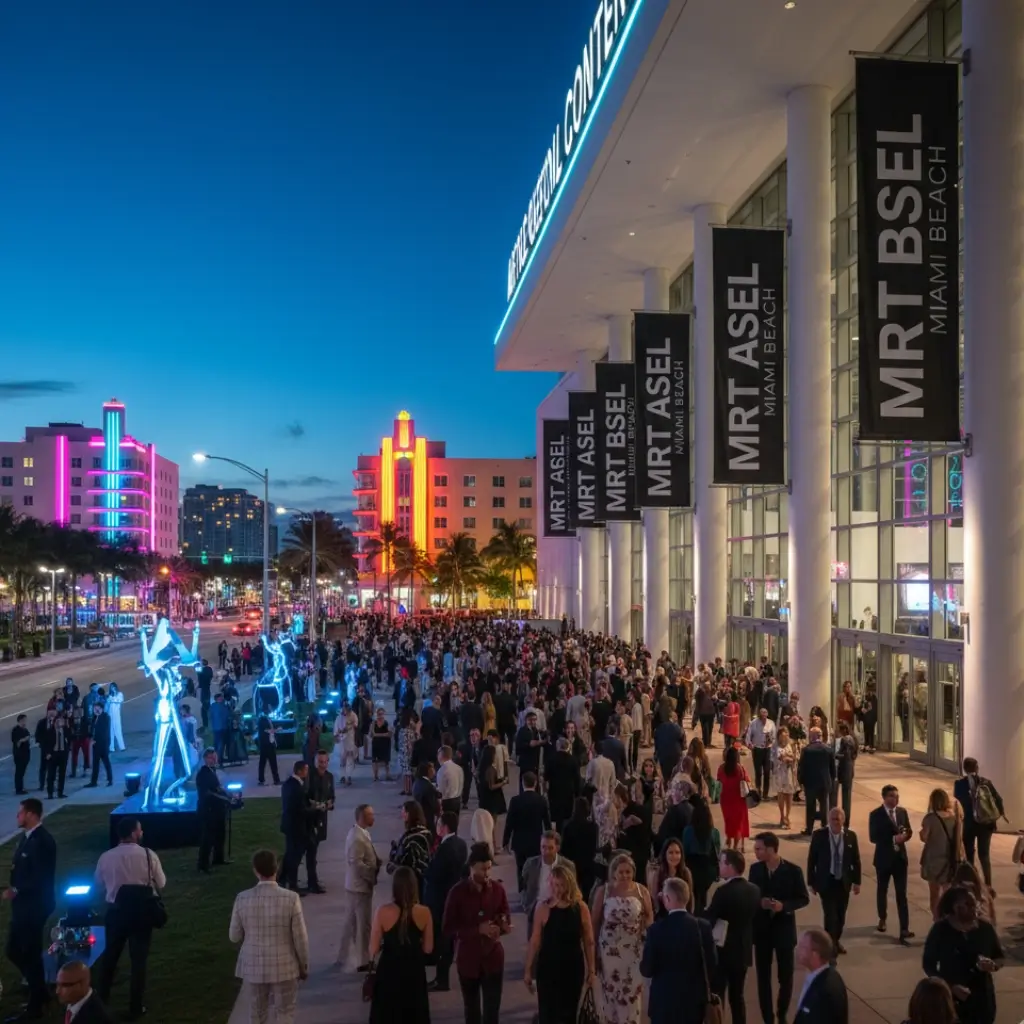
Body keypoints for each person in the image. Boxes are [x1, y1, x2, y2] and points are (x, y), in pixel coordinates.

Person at [94, 816, 167, 1018]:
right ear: (134, 833)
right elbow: (161, 883)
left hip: (116, 913)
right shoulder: (148, 854)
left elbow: (98, 884)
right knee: (138, 961)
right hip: (142, 914)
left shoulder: (106, 857)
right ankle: (136, 1006)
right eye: (140, 830)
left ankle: (100, 1001)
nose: (142, 833)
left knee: (110, 959)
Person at [229, 849, 309, 1024]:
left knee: (257, 1014)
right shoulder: (291, 898)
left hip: (254, 967)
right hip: (285, 965)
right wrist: (303, 965)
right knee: (285, 1012)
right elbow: (300, 938)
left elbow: (234, 936)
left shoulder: (242, 898)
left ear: (255, 870)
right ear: (277, 868)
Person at [442, 842, 511, 1024]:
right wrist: (476, 930)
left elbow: (505, 915)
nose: (487, 874)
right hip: (468, 960)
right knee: (472, 1013)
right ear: (471, 867)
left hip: (493, 959)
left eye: (489, 868)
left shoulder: (498, 890)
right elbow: (448, 928)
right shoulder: (457, 893)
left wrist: (502, 926)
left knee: (491, 1012)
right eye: (482, 869)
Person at [3, 798, 57, 1019]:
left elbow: (40, 878)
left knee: (30, 953)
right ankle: (40, 990)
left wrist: (16, 890)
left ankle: (36, 1006)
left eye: (20, 813)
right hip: (23, 907)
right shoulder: (27, 839)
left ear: (32, 814)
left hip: (33, 907)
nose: (17, 816)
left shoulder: (42, 841)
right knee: (13, 950)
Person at [749, 831, 810, 1024]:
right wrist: (761, 902)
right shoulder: (755, 870)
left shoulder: (793, 871)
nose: (756, 852)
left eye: (759, 849)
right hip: (762, 932)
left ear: (770, 849)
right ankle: (768, 1017)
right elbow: (752, 896)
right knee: (763, 978)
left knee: (785, 977)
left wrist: (784, 906)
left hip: (783, 930)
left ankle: (781, 1012)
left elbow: (803, 898)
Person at [524, 862, 595, 1024]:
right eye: (555, 885)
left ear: (569, 885)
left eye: (562, 885)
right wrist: (528, 969)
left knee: (569, 1013)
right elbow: (535, 940)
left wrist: (592, 969)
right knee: (547, 1013)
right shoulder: (543, 908)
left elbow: (589, 941)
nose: (558, 889)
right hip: (548, 968)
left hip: (572, 968)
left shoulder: (581, 908)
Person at [640, 877, 717, 1024]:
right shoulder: (703, 927)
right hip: (694, 1003)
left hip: (664, 1003)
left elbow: (647, 969)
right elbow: (712, 964)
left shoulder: (656, 930)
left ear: (667, 898)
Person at [923, 886, 1003, 1024]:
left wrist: (993, 965)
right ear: (955, 907)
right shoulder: (940, 930)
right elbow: (928, 964)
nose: (974, 908)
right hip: (951, 1001)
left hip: (982, 999)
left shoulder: (985, 928)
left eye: (975, 904)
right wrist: (950, 986)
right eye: (968, 904)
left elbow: (999, 956)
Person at [592, 852, 653, 1024]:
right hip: (608, 953)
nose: (625, 875)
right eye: (621, 872)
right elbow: (595, 921)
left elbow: (649, 917)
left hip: (634, 953)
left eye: (628, 871)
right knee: (610, 994)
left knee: (632, 995)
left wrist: (649, 943)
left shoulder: (642, 891)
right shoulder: (603, 892)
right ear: (614, 873)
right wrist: (593, 951)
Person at [368, 866, 433, 1024]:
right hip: (414, 972)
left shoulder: (382, 912)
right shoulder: (424, 912)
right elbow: (428, 948)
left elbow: (373, 949)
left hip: (389, 971)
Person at [702, 848, 760, 1024]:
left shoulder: (723, 892)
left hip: (724, 951)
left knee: (718, 994)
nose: (719, 865)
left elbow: (710, 919)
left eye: (721, 862)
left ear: (731, 866)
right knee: (738, 996)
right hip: (743, 950)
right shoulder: (754, 890)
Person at [806, 807, 861, 957]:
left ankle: (835, 941)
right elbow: (812, 859)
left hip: (843, 882)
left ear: (843, 820)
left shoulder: (851, 836)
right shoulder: (819, 835)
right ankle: (830, 950)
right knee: (831, 917)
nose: (835, 822)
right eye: (832, 819)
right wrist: (811, 882)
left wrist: (857, 882)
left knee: (841, 916)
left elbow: (856, 860)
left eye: (838, 819)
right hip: (826, 881)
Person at [423, 811, 468, 993]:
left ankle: (442, 979)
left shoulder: (445, 848)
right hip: (452, 895)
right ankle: (438, 966)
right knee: (446, 938)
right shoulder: (461, 844)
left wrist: (426, 869)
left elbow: (434, 874)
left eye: (439, 823)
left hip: (441, 899)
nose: (437, 826)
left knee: (444, 939)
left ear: (445, 826)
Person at [868, 784, 914, 946]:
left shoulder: (902, 812)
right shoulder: (876, 815)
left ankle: (904, 928)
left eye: (897, 796)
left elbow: (909, 830)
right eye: (892, 796)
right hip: (883, 859)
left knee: (902, 894)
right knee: (882, 889)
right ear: (885, 798)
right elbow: (873, 837)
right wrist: (894, 839)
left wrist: (906, 835)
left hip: (900, 859)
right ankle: (882, 918)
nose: (896, 799)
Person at [339, 804, 379, 972]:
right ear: (362, 817)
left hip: (355, 886)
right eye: (370, 815)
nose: (374, 818)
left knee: (353, 923)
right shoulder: (357, 838)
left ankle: (344, 956)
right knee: (363, 926)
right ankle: (363, 961)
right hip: (359, 887)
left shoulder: (360, 833)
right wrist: (372, 875)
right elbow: (356, 864)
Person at [953, 758, 1003, 890]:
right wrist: (995, 818)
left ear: (964, 768)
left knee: (969, 854)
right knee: (984, 855)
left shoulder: (959, 784)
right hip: (986, 825)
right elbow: (999, 800)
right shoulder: (986, 783)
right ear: (976, 768)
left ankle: (972, 885)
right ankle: (988, 885)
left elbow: (957, 804)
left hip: (969, 824)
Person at [919, 787, 964, 920]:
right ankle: (948, 918)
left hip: (933, 861)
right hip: (950, 861)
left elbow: (924, 837)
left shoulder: (930, 818)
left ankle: (937, 920)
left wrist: (922, 833)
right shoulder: (954, 819)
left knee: (934, 894)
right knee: (947, 893)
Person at [502, 771, 551, 890]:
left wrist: (505, 841)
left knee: (520, 868)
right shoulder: (541, 800)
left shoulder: (515, 801)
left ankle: (522, 891)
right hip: (536, 841)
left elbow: (509, 823)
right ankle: (533, 891)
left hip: (519, 841)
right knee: (535, 869)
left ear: (522, 783)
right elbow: (547, 823)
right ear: (535, 783)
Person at [520, 830, 574, 933]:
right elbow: (523, 887)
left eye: (550, 848)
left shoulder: (568, 866)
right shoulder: (530, 864)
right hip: (536, 913)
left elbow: (572, 890)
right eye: (543, 847)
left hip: (561, 915)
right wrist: (527, 906)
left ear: (557, 848)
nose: (546, 852)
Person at [793, 927, 849, 1022]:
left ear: (815, 954)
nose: (797, 950)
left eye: (803, 947)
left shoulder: (823, 991)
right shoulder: (829, 976)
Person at [278, 761, 315, 893]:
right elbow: (300, 809)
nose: (307, 772)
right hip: (296, 826)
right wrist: (314, 809)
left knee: (290, 854)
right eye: (305, 770)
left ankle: (282, 879)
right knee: (295, 856)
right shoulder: (297, 787)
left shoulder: (288, 784)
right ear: (299, 771)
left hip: (289, 825)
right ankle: (292, 884)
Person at [682, 798, 721, 913]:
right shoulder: (714, 832)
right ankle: (701, 912)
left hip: (692, 867)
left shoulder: (688, 831)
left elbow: (685, 849)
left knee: (693, 894)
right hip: (708, 869)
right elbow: (717, 851)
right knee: (703, 894)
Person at [388, 801, 434, 897]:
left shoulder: (410, 837)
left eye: (404, 811)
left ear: (409, 814)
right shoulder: (426, 833)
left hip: (409, 882)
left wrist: (394, 851)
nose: (402, 814)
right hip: (422, 879)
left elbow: (402, 860)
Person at [306, 750, 335, 895]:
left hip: (321, 819)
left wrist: (329, 803)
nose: (323, 765)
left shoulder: (329, 777)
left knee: (314, 849)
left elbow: (332, 796)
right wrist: (315, 805)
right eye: (320, 762)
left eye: (325, 762)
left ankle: (311, 880)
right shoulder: (309, 777)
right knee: (310, 851)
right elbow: (305, 798)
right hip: (309, 819)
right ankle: (312, 881)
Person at [559, 796, 599, 903]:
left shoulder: (567, 826)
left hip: (572, 864)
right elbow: (594, 847)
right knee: (587, 895)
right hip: (588, 864)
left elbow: (564, 849)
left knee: (571, 893)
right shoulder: (593, 827)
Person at [797, 727, 835, 835]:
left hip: (810, 783)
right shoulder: (828, 749)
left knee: (810, 807)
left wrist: (801, 782)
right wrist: (831, 781)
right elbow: (833, 769)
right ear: (820, 736)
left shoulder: (806, 750)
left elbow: (801, 768)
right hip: (824, 783)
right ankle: (825, 827)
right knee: (824, 806)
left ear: (812, 737)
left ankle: (809, 828)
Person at [646, 838, 694, 917]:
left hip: (682, 914)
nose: (674, 856)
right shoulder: (658, 873)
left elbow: (690, 897)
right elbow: (654, 897)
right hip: (663, 914)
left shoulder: (686, 872)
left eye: (677, 853)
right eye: (671, 853)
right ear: (665, 854)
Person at [717, 745, 751, 851]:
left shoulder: (721, 768)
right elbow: (748, 781)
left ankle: (729, 840)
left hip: (725, 799)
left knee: (729, 822)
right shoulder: (740, 768)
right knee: (738, 824)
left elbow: (718, 782)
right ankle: (736, 846)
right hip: (738, 800)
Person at [545, 737, 581, 830]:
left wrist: (545, 790)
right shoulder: (573, 760)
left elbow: (546, 777)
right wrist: (577, 794)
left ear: (557, 746)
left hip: (554, 791)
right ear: (568, 747)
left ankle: (557, 833)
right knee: (567, 816)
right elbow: (577, 778)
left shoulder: (551, 759)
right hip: (568, 792)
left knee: (556, 816)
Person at [745, 706, 776, 800]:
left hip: (767, 749)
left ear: (767, 715)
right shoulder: (753, 723)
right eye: (762, 716)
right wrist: (749, 744)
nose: (763, 718)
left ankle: (765, 794)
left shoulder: (771, 723)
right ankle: (758, 790)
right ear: (759, 716)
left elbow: (774, 736)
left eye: (765, 715)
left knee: (767, 771)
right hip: (757, 749)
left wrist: (772, 743)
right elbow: (748, 735)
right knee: (758, 772)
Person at [771, 725, 797, 830]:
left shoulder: (792, 744)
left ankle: (788, 816)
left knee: (789, 795)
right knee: (781, 794)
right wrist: (780, 759)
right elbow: (772, 757)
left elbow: (796, 757)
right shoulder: (775, 745)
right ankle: (782, 815)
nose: (784, 737)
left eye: (786, 735)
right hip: (779, 772)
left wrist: (790, 759)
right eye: (782, 735)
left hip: (789, 772)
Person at [832, 722, 857, 818]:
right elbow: (853, 755)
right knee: (847, 797)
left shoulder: (845, 740)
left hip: (842, 769)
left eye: (837, 729)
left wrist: (833, 755)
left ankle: (838, 818)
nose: (836, 731)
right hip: (849, 769)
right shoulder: (853, 739)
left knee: (835, 796)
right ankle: (846, 820)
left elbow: (844, 755)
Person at [86, 701, 113, 788]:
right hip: (96, 744)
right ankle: (94, 782)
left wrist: (96, 740)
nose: (96, 710)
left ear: (102, 709)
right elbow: (93, 729)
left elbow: (103, 732)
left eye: (98, 709)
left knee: (106, 763)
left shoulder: (106, 717)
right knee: (95, 764)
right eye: (95, 709)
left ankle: (110, 779)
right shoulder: (94, 718)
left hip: (103, 744)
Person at [436, 745, 465, 822]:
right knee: (454, 823)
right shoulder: (459, 768)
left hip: (447, 802)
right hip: (457, 800)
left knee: (446, 825)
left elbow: (441, 791)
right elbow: (461, 784)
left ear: (441, 755)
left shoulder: (442, 770)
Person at [256, 714, 281, 787]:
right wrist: (277, 730)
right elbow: (267, 730)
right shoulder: (262, 719)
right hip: (267, 745)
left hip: (268, 744)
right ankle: (275, 780)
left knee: (265, 763)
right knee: (271, 763)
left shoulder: (266, 719)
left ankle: (263, 780)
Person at [371, 705, 393, 782]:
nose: (380, 715)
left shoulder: (387, 723)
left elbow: (390, 734)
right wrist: (384, 734)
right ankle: (375, 775)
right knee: (375, 761)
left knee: (386, 760)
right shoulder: (374, 723)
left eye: (381, 714)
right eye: (378, 714)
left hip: (385, 744)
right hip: (376, 744)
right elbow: (372, 734)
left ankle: (388, 775)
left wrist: (377, 735)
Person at [12, 714, 31, 795]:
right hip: (19, 754)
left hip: (26, 754)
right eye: (24, 720)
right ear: (20, 720)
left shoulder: (25, 730)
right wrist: (24, 739)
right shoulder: (15, 730)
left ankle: (21, 787)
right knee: (19, 771)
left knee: (22, 771)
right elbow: (17, 743)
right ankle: (18, 789)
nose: (25, 722)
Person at [107, 682, 126, 752]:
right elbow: (108, 703)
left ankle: (122, 747)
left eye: (113, 687)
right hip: (110, 715)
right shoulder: (109, 695)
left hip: (117, 715)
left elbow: (120, 700)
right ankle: (111, 747)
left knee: (118, 730)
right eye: (111, 687)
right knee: (111, 731)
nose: (112, 688)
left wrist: (113, 698)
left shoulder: (120, 694)